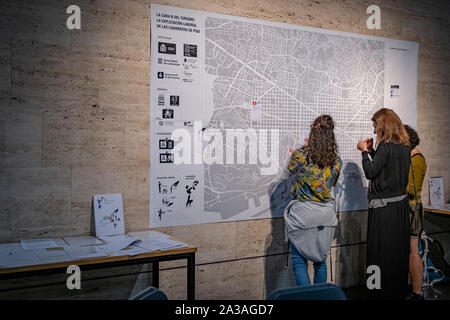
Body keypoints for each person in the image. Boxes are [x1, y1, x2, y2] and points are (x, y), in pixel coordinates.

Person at [357, 108, 411, 300]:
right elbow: (384, 169)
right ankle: (396, 293)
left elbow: (372, 172)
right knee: (396, 254)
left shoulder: (386, 146)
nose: (373, 131)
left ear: (382, 125)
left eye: (375, 126)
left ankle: (375, 293)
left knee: (377, 255)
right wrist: (372, 151)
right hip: (400, 210)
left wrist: (364, 152)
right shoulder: (405, 147)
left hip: (383, 211)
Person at [285, 115, 342, 286]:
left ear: (312, 132)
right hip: (325, 217)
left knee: (299, 261)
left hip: (303, 215)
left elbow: (290, 169)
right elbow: (333, 183)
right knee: (320, 260)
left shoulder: (300, 155)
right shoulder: (336, 161)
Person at [404, 125, 427, 300]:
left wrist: (394, 178)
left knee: (413, 251)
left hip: (413, 210)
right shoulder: (411, 158)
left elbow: (412, 189)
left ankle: (417, 291)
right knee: (410, 251)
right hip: (409, 209)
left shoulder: (416, 159)